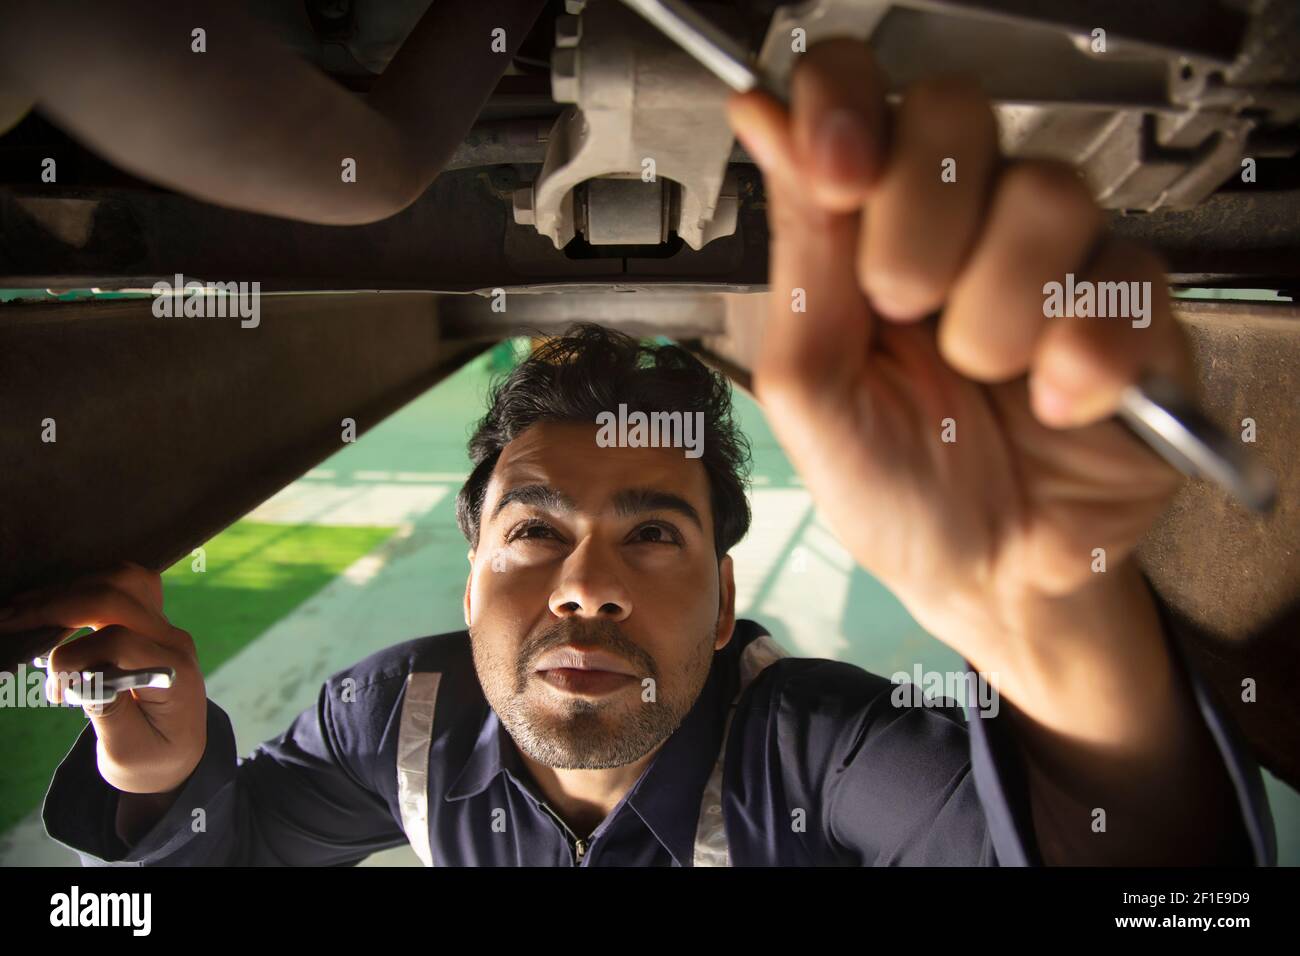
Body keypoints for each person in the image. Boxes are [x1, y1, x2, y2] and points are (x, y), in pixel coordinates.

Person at [14, 40, 1274, 866]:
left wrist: (1056, 624)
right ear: (468, 586)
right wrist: (164, 761)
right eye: (533, 529)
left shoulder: (810, 745)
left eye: (655, 530)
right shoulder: (395, 715)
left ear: (729, 603)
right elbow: (220, 852)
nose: (582, 581)